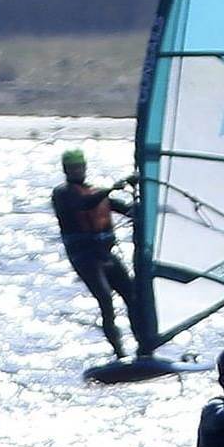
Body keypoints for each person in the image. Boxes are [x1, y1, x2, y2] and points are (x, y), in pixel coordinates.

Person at [51, 148, 146, 359]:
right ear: (66, 170)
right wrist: (113, 187)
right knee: (106, 299)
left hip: (105, 255)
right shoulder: (62, 194)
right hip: (84, 258)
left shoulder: (95, 192)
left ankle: (143, 347)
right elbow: (84, 204)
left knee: (133, 296)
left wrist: (141, 200)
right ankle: (120, 353)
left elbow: (127, 209)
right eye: (73, 168)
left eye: (79, 167)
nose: (77, 171)